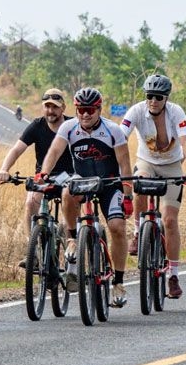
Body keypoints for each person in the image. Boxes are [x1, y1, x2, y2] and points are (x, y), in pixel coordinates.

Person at [37, 87, 135, 307]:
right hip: (83, 180)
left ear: (99, 109)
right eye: (81, 109)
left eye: (90, 109)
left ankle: (118, 282)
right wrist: (44, 174)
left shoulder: (113, 130)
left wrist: (127, 195)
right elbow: (53, 152)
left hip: (109, 183)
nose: (85, 114)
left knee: (118, 227)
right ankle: (72, 238)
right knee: (67, 191)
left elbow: (125, 164)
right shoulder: (69, 127)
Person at [120, 73, 186, 299]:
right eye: (149, 96)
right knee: (138, 181)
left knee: (170, 220)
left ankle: (173, 275)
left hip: (172, 165)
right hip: (146, 161)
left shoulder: (176, 112)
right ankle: (137, 232)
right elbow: (120, 136)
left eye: (159, 97)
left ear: (166, 99)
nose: (153, 101)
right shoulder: (136, 111)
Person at [0, 88, 75, 244]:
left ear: (63, 108)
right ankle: (32, 247)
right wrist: (4, 169)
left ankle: (72, 254)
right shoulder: (37, 125)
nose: (50, 111)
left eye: (55, 107)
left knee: (68, 220)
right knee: (30, 202)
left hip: (68, 177)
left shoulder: (72, 125)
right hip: (43, 177)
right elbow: (17, 149)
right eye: (47, 106)